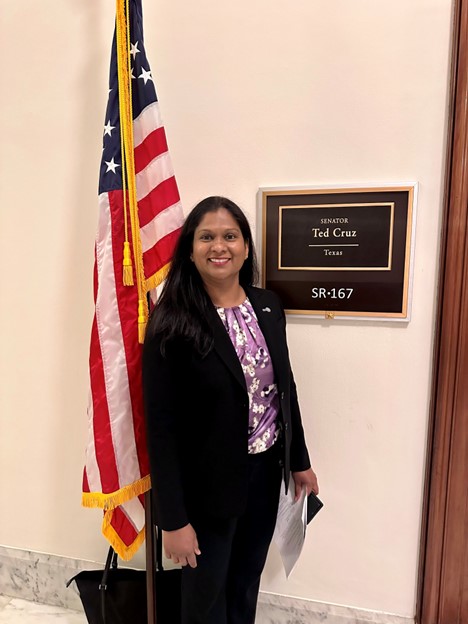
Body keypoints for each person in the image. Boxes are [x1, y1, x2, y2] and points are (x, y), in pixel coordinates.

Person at [142, 196, 319, 624]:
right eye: (206, 237)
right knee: (205, 601)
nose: (218, 246)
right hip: (204, 491)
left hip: (262, 477)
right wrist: (174, 520)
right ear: (190, 248)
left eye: (229, 236)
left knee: (244, 587)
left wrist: (299, 462)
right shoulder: (171, 320)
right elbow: (161, 428)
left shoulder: (267, 306)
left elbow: (284, 388)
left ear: (244, 246)